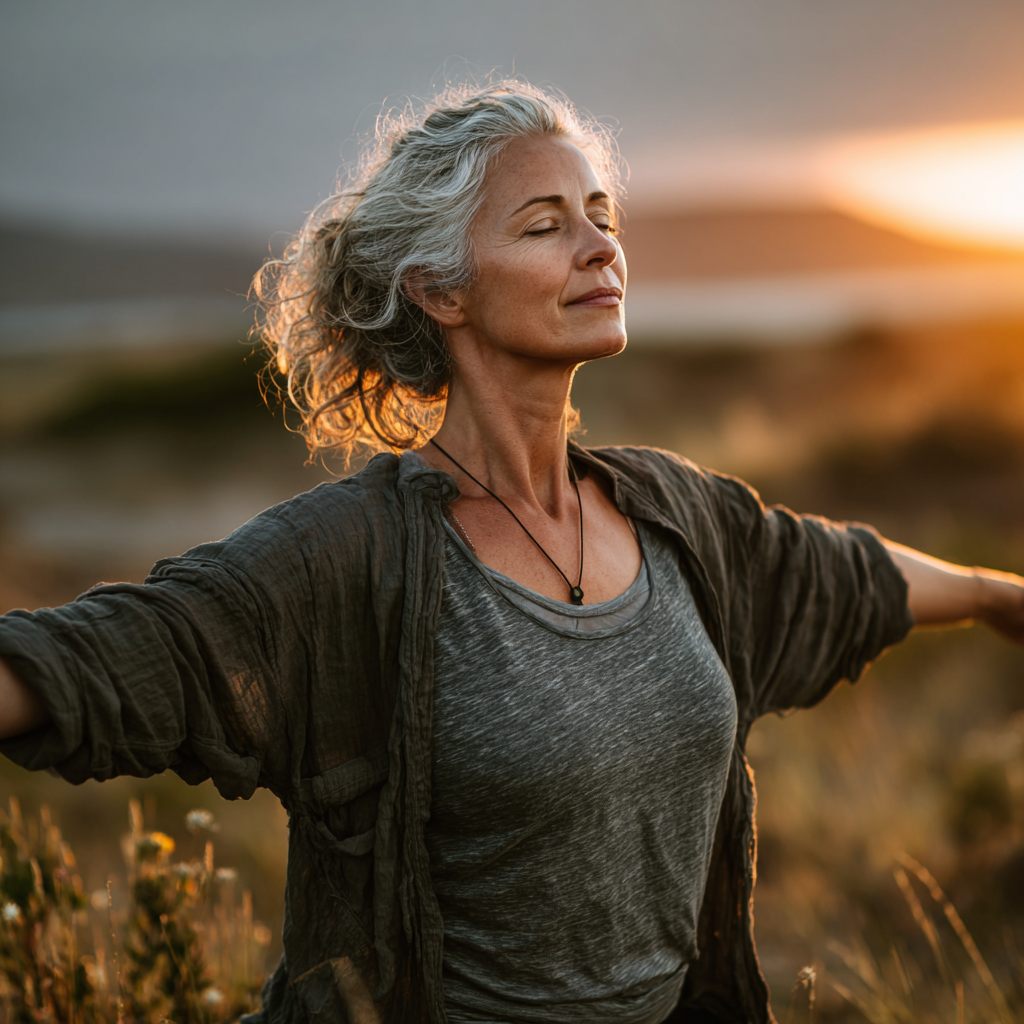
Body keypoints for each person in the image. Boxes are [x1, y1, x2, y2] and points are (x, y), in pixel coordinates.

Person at [0, 81, 1021, 1024]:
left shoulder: (677, 515)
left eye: (602, 217)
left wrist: (989, 593)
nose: (599, 247)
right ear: (441, 291)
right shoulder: (348, 563)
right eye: (545, 224)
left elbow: (833, 574)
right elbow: (116, 659)